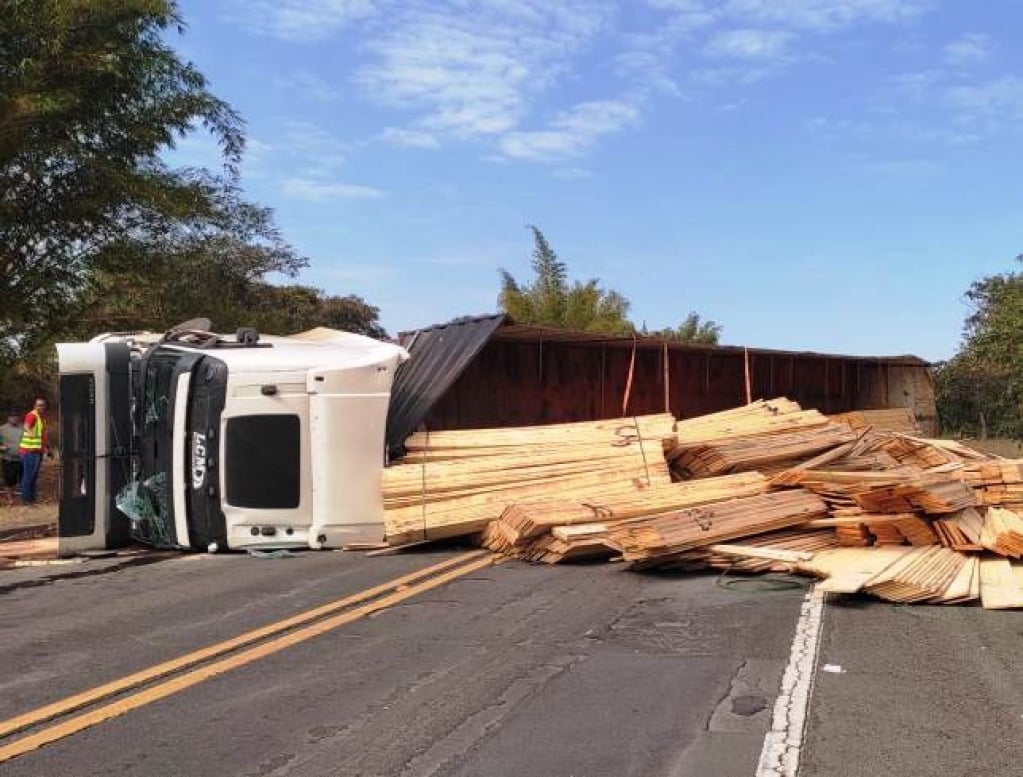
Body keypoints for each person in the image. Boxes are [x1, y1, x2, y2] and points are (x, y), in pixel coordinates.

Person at [19, 398, 50, 505]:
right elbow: (26, 426)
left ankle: (31, 499)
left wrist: (47, 447)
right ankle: (27, 500)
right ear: (34, 406)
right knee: (28, 476)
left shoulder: (42, 417)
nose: (41, 407)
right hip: (30, 451)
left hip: (37, 451)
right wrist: (31, 434)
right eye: (39, 405)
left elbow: (43, 434)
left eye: (43, 405)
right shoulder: (32, 415)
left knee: (33, 476)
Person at [0, 410, 22, 494]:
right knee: (9, 480)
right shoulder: (2, 429)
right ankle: (10, 499)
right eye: (12, 416)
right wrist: (1, 447)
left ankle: (20, 496)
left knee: (21, 479)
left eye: (16, 416)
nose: (14, 418)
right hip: (8, 459)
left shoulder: (23, 428)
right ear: (8, 418)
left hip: (21, 458)